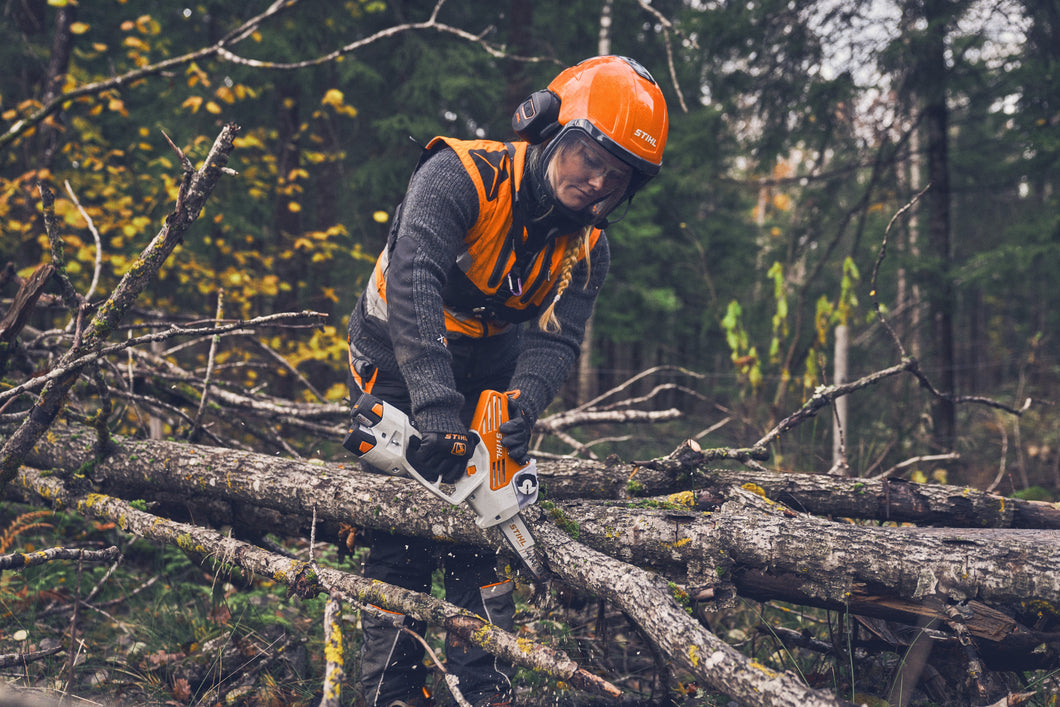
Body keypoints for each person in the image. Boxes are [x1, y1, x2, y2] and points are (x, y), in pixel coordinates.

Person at [345, 55, 669, 707]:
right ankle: (391, 690)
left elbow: (555, 338)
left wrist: (523, 404)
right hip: (401, 352)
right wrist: (436, 406)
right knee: (403, 529)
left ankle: (481, 684)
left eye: (618, 176)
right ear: (549, 130)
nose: (597, 181)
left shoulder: (587, 247)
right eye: (588, 157)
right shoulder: (459, 176)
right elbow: (416, 283)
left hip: (486, 366)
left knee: (482, 527)